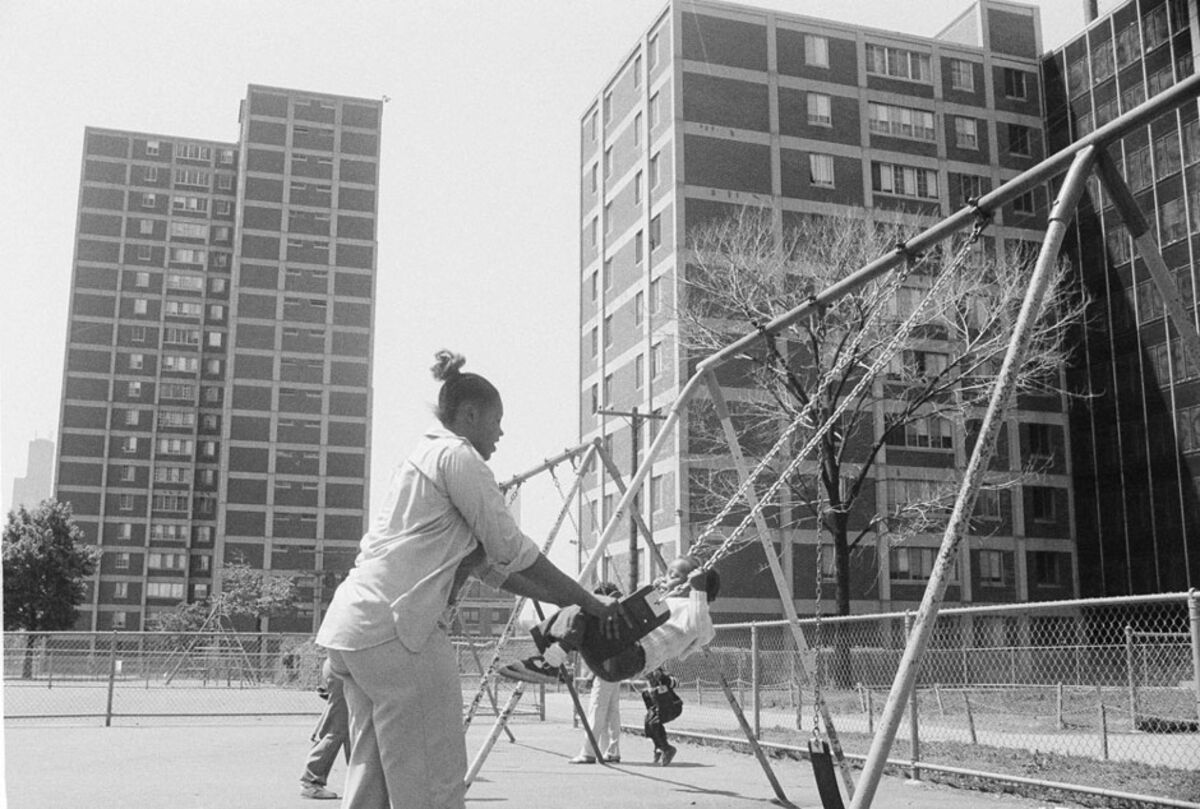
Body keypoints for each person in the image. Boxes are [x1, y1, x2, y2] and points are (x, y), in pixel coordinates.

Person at [315, 350, 627, 809]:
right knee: (433, 781)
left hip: (355, 629)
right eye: (496, 421)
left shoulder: (420, 461)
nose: (500, 433)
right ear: (471, 414)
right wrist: (593, 602)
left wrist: (572, 604)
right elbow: (514, 551)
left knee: (375, 773)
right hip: (399, 633)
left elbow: (493, 569)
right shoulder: (457, 456)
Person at [499, 555, 719, 686]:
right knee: (591, 599)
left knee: (589, 603)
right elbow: (629, 620)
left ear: (692, 584)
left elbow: (700, 630)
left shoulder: (695, 610)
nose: (666, 578)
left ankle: (550, 662)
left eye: (674, 576)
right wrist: (648, 594)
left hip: (627, 660)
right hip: (610, 654)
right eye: (667, 572)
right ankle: (549, 661)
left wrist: (697, 593)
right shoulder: (662, 603)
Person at [568, 582, 624, 765]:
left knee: (598, 708)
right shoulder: (620, 614)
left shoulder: (605, 616)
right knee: (611, 710)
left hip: (606, 665)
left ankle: (589, 751)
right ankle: (612, 750)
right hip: (616, 666)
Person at [300, 657, 349, 799]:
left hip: (347, 665)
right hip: (345, 666)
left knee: (354, 729)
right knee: (338, 729)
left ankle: (360, 782)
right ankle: (310, 782)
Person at [641, 667, 683, 766]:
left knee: (654, 722)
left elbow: (677, 682)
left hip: (673, 706)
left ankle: (667, 749)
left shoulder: (661, 673)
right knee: (649, 722)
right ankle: (659, 747)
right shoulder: (645, 681)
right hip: (659, 708)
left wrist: (663, 678)